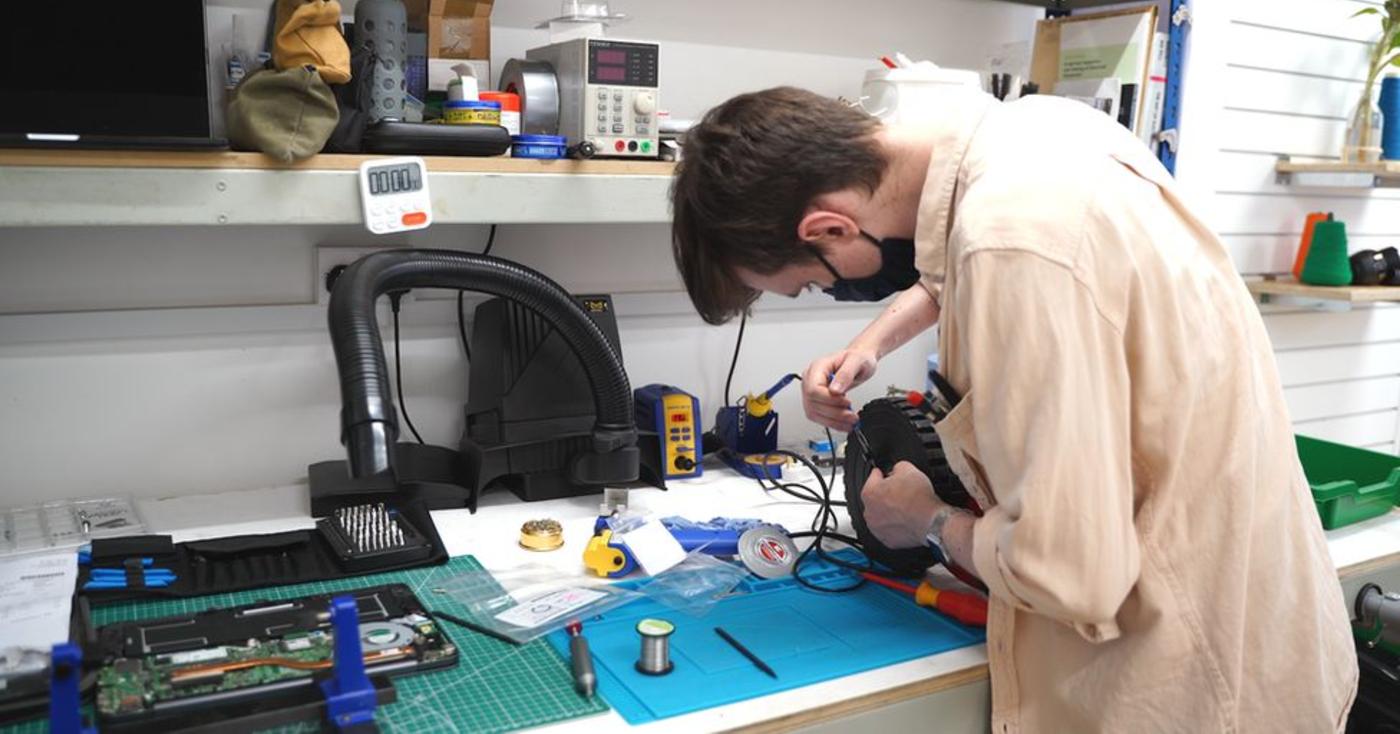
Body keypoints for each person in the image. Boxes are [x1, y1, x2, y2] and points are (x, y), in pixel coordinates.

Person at [669, 85, 1358, 732]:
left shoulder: (1010, 242)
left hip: (1195, 680)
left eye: (810, 284)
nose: (827, 291)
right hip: (1265, 625)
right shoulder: (1035, 134)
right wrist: (870, 344)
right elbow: (954, 268)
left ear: (828, 227)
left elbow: (1072, 573)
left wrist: (927, 519)